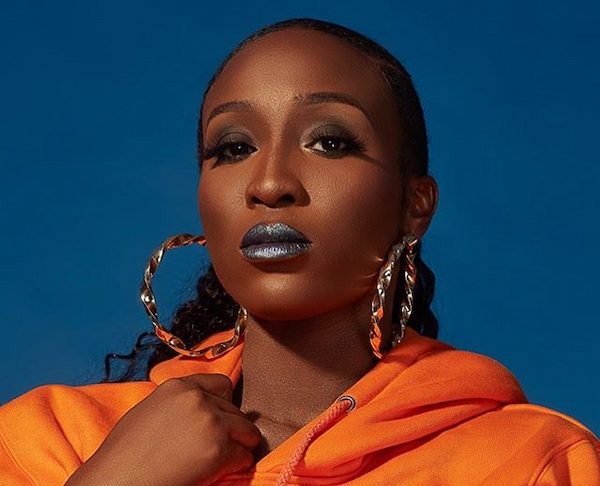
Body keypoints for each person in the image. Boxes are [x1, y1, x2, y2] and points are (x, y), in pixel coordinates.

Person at [1, 17, 598, 486]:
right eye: (233, 148)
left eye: (330, 142)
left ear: (415, 204)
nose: (269, 183)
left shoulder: (530, 462)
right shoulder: (51, 441)